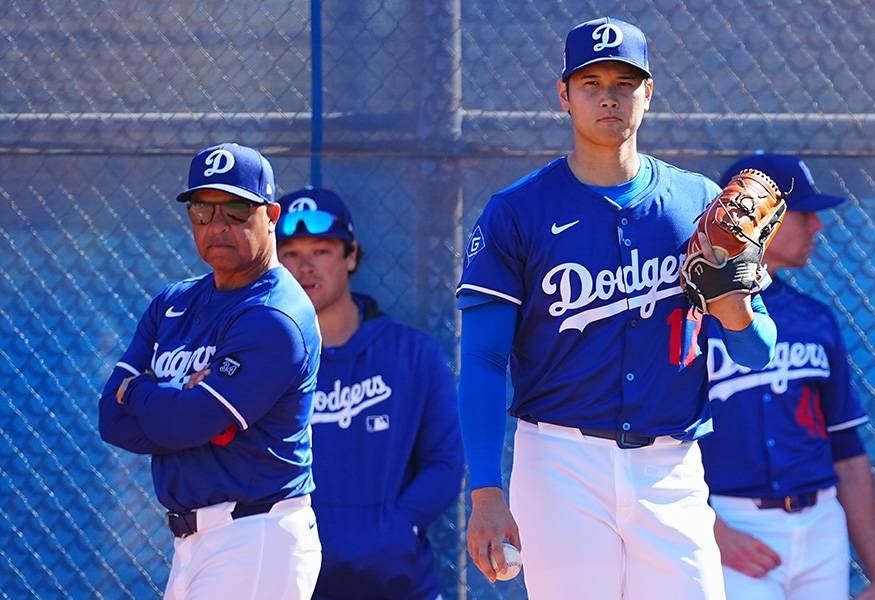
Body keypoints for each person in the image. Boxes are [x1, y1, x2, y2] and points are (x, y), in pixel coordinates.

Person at [456, 16, 780, 600]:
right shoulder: (516, 212)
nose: (609, 96)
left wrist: (734, 304)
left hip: (672, 466)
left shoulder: (697, 204)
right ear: (564, 94)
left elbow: (757, 351)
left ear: (648, 93)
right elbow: (482, 358)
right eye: (591, 82)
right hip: (559, 462)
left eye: (625, 83)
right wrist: (485, 492)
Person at [98, 142, 322, 600]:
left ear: (271, 215)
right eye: (203, 209)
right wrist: (179, 413)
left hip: (254, 536)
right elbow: (111, 417)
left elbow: (181, 421)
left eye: (236, 210)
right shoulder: (173, 301)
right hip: (196, 544)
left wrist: (143, 394)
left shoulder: (274, 316)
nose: (217, 225)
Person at [700, 153, 875, 600]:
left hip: (822, 526)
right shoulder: (692, 319)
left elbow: (846, 449)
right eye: (805, 214)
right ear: (762, 220)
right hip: (734, 527)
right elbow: (661, 447)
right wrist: (713, 529)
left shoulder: (815, 320)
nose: (817, 228)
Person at [274, 186, 465, 600]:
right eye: (289, 253)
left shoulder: (413, 354)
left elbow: (445, 464)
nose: (306, 266)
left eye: (322, 250)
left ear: (351, 256)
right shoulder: (261, 363)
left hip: (397, 582)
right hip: (288, 579)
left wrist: (395, 528)